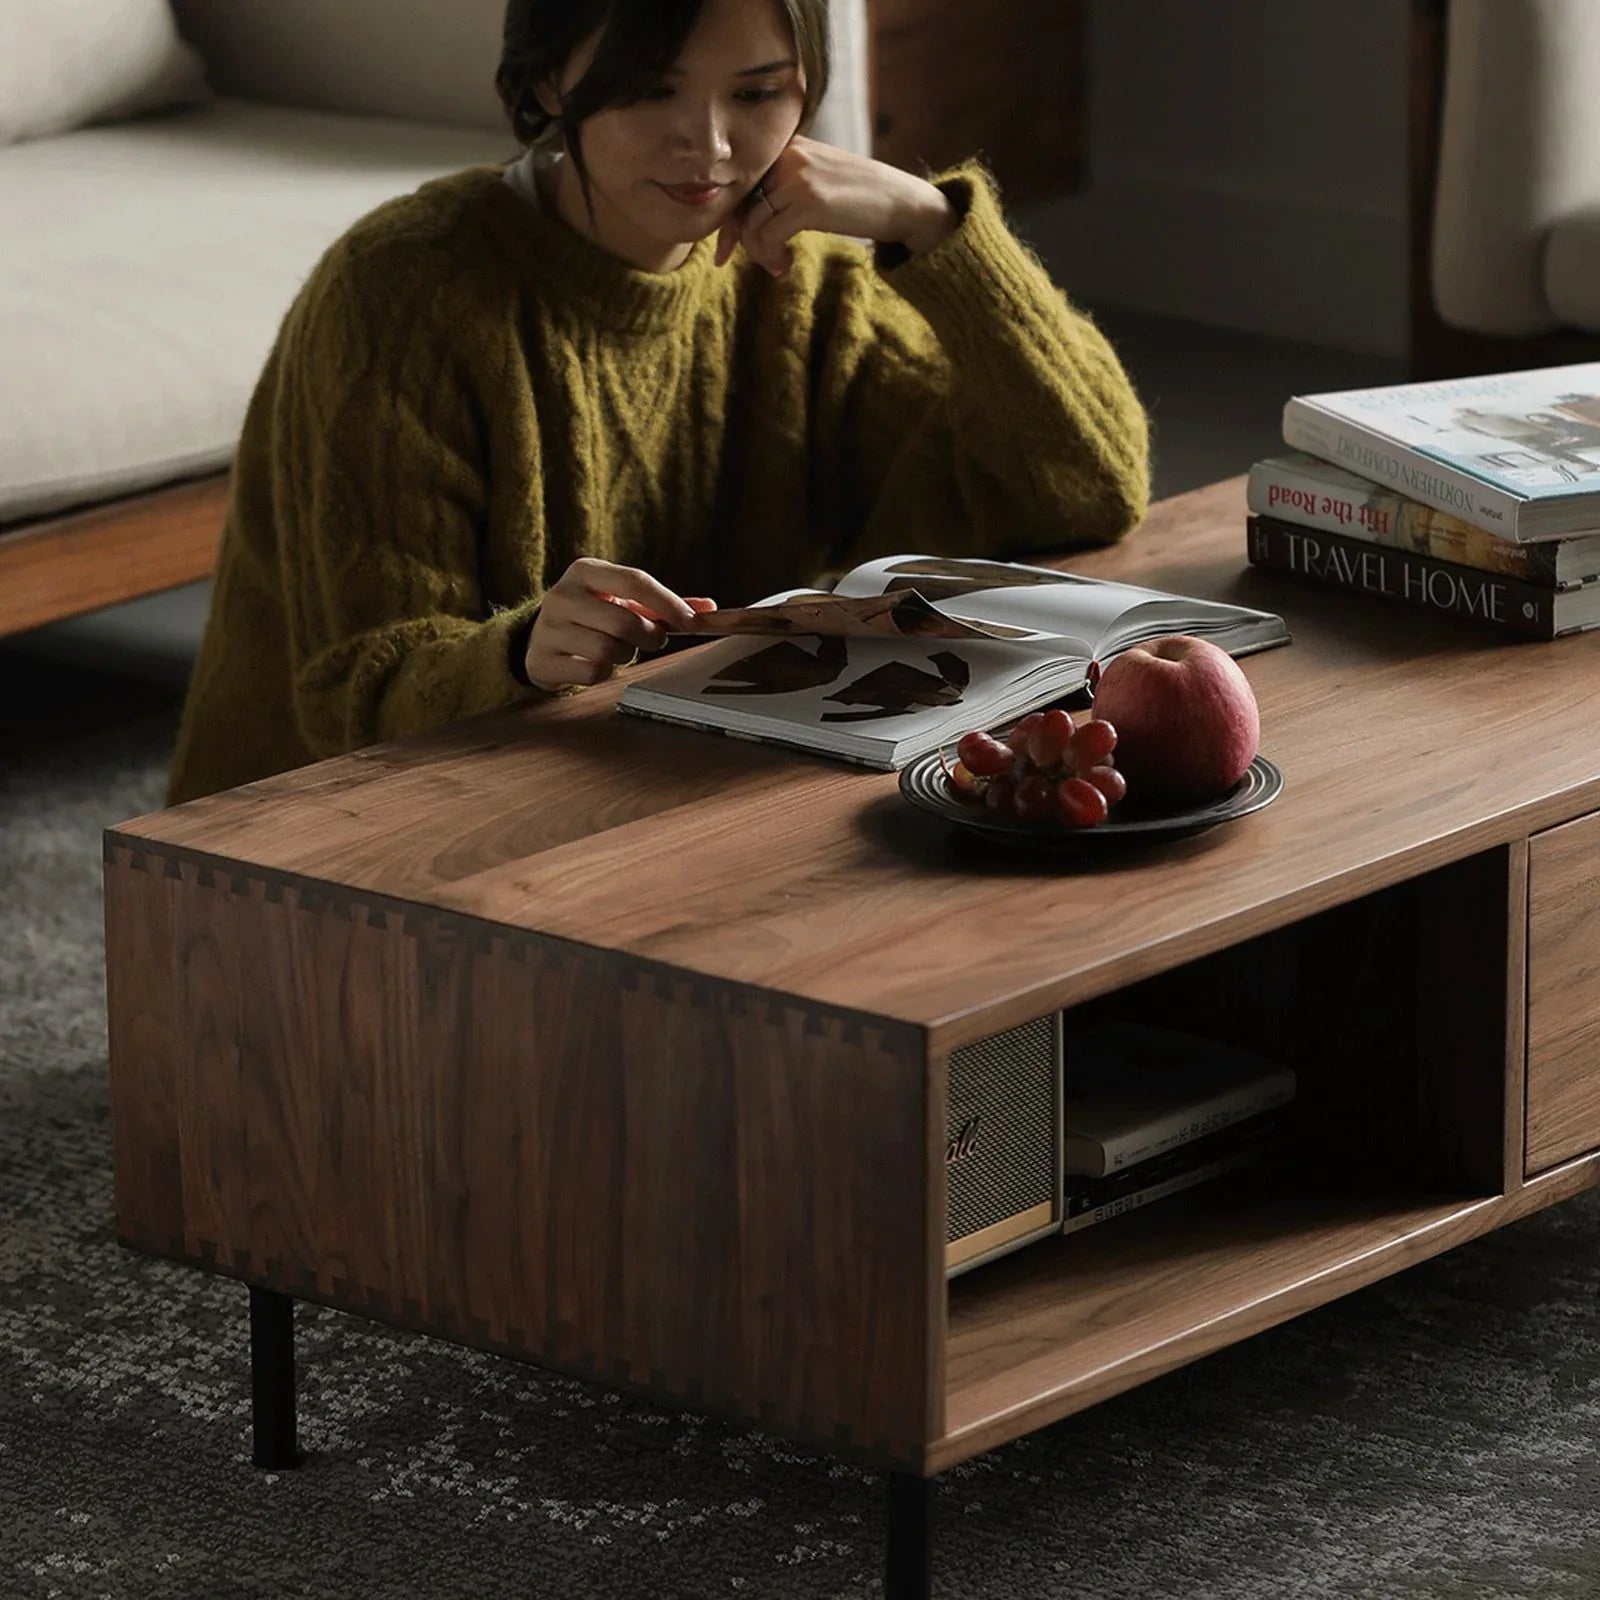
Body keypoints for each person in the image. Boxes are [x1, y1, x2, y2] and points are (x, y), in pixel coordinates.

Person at [163, 0, 1152, 807]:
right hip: (309, 866)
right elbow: (351, 695)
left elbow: (1089, 484)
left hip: (651, 792)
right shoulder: (401, 293)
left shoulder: (805, 280)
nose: (711, 147)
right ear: (553, 82)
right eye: (649, 90)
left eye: (759, 93)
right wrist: (517, 652)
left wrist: (929, 222)